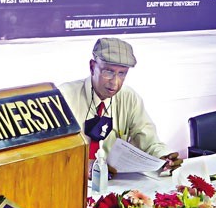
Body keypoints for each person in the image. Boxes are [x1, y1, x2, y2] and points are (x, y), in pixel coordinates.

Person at [59, 37, 182, 176]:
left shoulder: (129, 98)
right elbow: (50, 153)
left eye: (122, 73)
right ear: (92, 67)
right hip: (71, 179)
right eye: (108, 72)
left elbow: (149, 141)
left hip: (114, 183)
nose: (115, 83)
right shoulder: (64, 97)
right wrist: (83, 165)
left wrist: (164, 157)